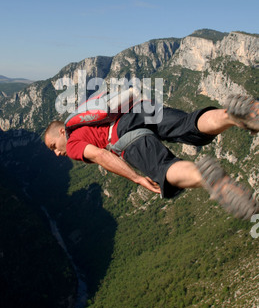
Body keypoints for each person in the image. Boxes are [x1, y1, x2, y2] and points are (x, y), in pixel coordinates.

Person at [44, 94, 259, 220]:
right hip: (139, 111)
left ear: (62, 132)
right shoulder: (82, 118)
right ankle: (232, 114)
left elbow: (101, 155)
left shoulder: (73, 144)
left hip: (123, 134)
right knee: (190, 124)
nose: (56, 153)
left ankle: (206, 177)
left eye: (53, 146)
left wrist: (136, 178)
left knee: (163, 170)